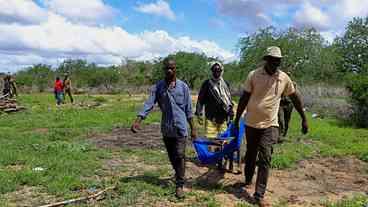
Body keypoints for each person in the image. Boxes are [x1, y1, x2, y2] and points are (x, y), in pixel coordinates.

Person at [234, 46, 308, 207]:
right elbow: (244, 98)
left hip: (270, 124)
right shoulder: (253, 75)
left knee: (265, 157)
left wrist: (304, 118)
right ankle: (247, 180)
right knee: (251, 154)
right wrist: (237, 118)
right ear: (266, 59)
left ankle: (259, 195)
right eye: (272, 59)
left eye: (278, 60)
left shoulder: (283, 78)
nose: (275, 63)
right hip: (251, 123)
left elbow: (295, 97)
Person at [131, 57, 197, 199]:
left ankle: (179, 185)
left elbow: (189, 110)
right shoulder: (158, 87)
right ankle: (178, 172)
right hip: (167, 129)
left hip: (180, 128)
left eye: (172, 68)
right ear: (163, 69)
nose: (169, 70)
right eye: (167, 68)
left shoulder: (183, 87)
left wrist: (194, 129)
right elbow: (149, 104)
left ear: (175, 69)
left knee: (180, 155)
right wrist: (138, 120)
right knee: (173, 156)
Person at [195, 61, 234, 169]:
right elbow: (201, 99)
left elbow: (229, 100)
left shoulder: (225, 83)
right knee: (212, 139)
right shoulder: (207, 84)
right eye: (215, 70)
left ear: (222, 71)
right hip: (210, 116)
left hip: (223, 116)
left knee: (223, 139)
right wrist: (199, 112)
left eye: (219, 70)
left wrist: (231, 112)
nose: (217, 72)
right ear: (212, 71)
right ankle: (215, 159)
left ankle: (222, 157)